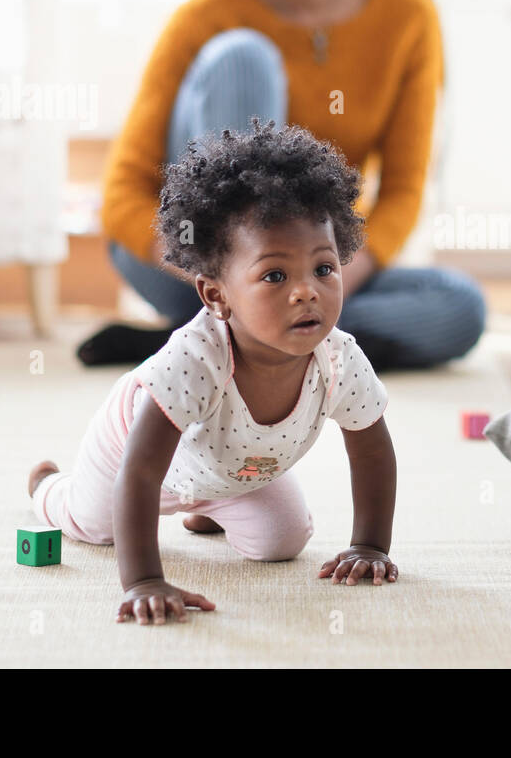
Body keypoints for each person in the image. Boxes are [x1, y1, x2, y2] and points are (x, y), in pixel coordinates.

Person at [77, 0, 485, 371]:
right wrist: (225, 277)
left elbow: (404, 192)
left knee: (459, 307)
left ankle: (218, 346)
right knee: (243, 58)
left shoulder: (407, 15)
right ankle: (249, 329)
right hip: (193, 262)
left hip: (311, 270)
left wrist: (320, 280)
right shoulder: (207, 16)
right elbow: (123, 192)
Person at [32, 125, 400, 625]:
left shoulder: (338, 360)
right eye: (275, 276)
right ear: (216, 295)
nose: (306, 292)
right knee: (95, 525)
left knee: (283, 541)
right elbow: (140, 473)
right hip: (132, 455)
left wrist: (370, 545)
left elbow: (372, 448)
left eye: (324, 269)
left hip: (234, 469)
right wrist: (144, 580)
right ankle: (47, 487)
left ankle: (208, 510)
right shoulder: (196, 362)